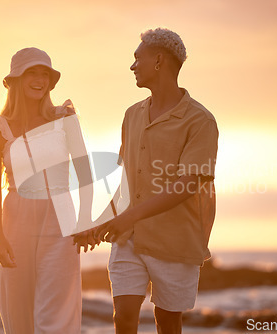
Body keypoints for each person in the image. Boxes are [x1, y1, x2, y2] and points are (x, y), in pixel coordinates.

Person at [96, 28, 219, 334]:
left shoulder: (200, 121)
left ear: (159, 61)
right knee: (123, 317)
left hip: (175, 239)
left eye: (138, 58)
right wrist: (102, 219)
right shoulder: (132, 115)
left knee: (167, 321)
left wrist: (129, 216)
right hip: (129, 237)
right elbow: (125, 176)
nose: (133, 65)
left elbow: (187, 184)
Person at [0, 47, 93, 333]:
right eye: (31, 72)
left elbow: (85, 174)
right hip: (15, 218)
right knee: (18, 315)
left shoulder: (65, 119)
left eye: (44, 73)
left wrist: (85, 220)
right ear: (16, 79)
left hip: (60, 217)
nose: (39, 79)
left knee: (54, 317)